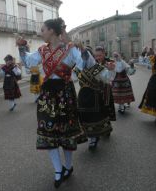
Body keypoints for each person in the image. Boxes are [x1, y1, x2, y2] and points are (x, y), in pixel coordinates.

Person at [18, 18, 115, 188]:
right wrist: (21, 47)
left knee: (66, 132)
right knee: (48, 131)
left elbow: (85, 64)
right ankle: (57, 170)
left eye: (43, 29)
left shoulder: (70, 49)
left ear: (52, 31)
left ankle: (68, 167)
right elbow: (28, 62)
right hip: (47, 93)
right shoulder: (41, 50)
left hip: (65, 92)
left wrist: (83, 50)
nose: (41, 33)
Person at [78, 46, 116, 150]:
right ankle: (91, 136)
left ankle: (94, 138)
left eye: (85, 56)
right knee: (85, 117)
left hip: (95, 95)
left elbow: (109, 78)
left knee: (97, 115)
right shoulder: (79, 67)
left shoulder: (98, 68)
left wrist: (112, 70)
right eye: (81, 56)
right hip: (82, 97)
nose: (82, 58)